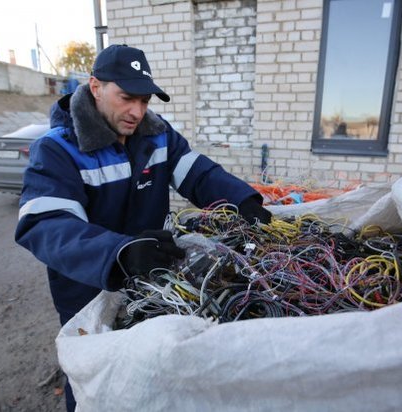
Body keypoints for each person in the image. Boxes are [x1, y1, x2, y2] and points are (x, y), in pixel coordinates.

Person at [14, 44, 271, 411]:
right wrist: (117, 253)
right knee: (95, 383)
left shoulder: (157, 135)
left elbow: (196, 173)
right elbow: (45, 225)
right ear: (95, 87)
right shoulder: (57, 150)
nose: (137, 111)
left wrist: (242, 200)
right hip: (88, 291)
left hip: (152, 280)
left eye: (145, 100)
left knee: (147, 375)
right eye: (127, 97)